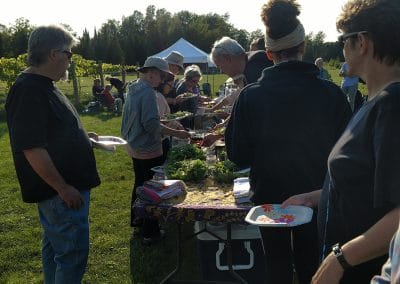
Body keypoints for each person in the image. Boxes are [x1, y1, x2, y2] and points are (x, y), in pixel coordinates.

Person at [224, 1, 352, 283]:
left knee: (277, 265)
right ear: (304, 47)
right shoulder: (331, 94)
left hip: (270, 198)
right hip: (317, 196)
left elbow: (237, 155)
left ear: (269, 54)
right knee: (313, 265)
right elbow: (347, 155)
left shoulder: (251, 96)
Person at [282, 0, 400, 283]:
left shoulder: (392, 106)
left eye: (342, 41)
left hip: (364, 271)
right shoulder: (375, 101)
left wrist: (340, 259)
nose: (341, 49)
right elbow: (366, 184)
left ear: (361, 42)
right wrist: (313, 198)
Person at [5, 25, 101, 283]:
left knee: (56, 251)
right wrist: (63, 187)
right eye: (69, 54)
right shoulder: (29, 89)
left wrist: (84, 138)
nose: (70, 60)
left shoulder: (43, 85)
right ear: (53, 54)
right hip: (61, 192)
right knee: (71, 255)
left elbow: (51, 132)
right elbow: (32, 147)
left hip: (62, 191)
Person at [121, 56, 190, 245]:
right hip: (147, 147)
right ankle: (150, 232)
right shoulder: (149, 93)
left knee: (140, 184)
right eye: (161, 76)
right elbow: (151, 125)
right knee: (152, 190)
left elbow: (146, 119)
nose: (162, 81)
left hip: (134, 144)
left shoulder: (134, 87)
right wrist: (176, 132)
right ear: (151, 73)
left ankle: (138, 221)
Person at [202, 36, 273, 146]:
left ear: (228, 59)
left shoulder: (255, 66)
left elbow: (253, 116)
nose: (221, 71)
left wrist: (221, 134)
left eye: (219, 66)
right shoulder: (248, 66)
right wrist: (224, 125)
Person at [154, 73, 185, 161]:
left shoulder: (160, 96)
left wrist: (176, 124)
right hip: (161, 140)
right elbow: (160, 121)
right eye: (170, 85)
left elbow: (166, 117)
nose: (171, 88)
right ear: (162, 83)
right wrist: (177, 130)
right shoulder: (158, 97)